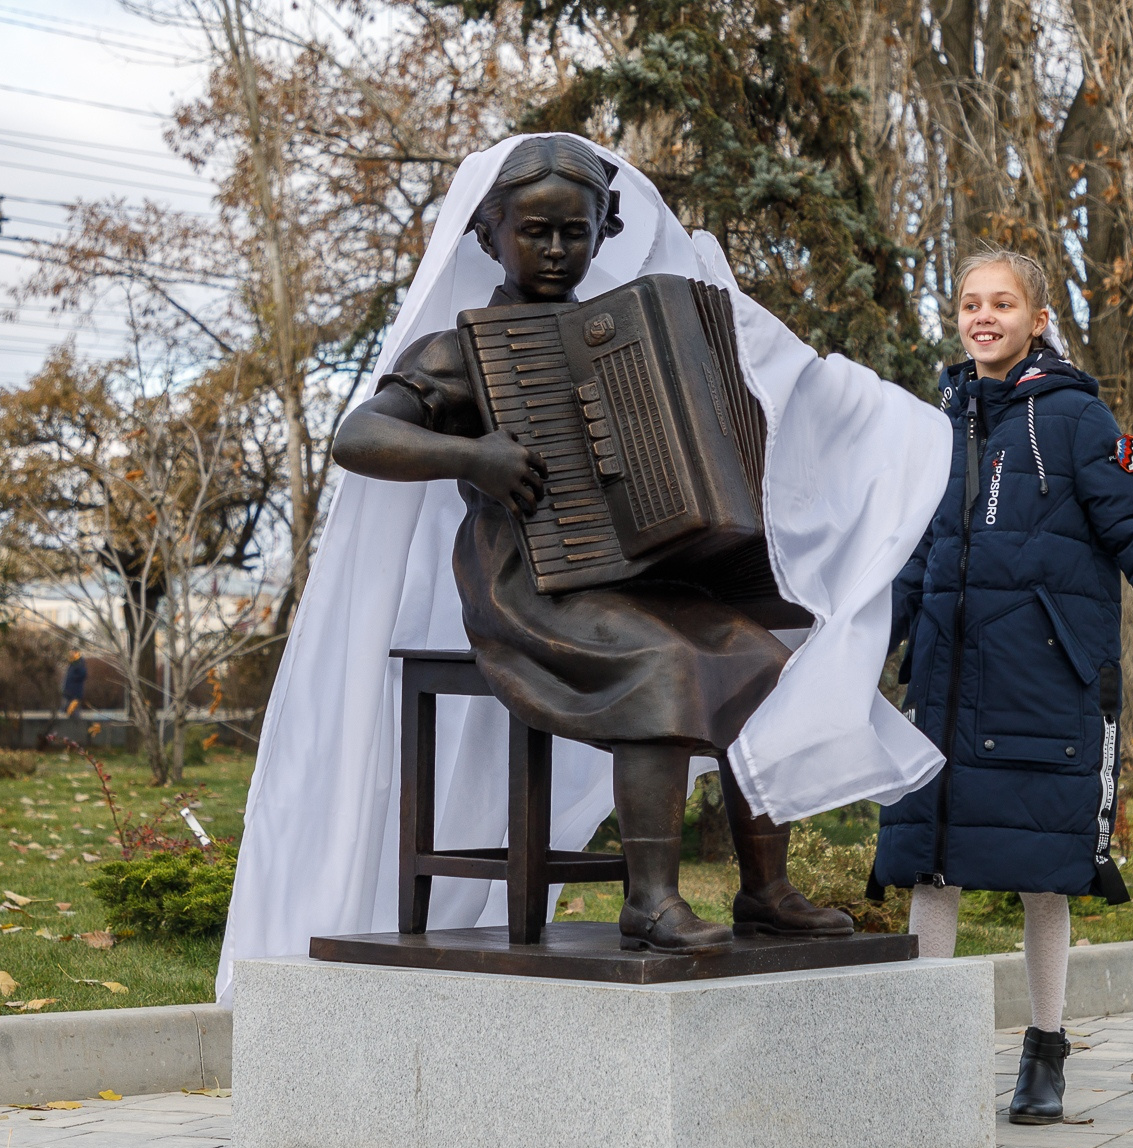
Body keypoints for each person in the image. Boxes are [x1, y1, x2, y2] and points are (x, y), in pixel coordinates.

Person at [328, 135, 854, 954]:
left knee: (768, 663)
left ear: (605, 232)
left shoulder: (640, 335)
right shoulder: (466, 350)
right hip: (530, 584)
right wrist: (472, 456)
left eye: (575, 231)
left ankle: (767, 891)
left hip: (641, 578)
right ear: (487, 235)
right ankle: (649, 902)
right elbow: (357, 437)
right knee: (667, 663)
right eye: (533, 231)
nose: (554, 248)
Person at [873, 247, 1133, 1124]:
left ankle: (1045, 1050)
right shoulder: (941, 423)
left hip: (1042, 683)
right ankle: (930, 1054)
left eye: (1002, 303)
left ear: (1038, 319)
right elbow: (916, 558)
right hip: (943, 683)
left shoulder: (1077, 422)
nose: (983, 316)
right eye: (970, 302)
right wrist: (854, 654)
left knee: (1044, 873)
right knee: (932, 863)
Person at [61, 650, 87, 718]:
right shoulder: (72, 664)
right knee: (66, 711)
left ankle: (76, 725)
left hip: (75, 693)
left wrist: (73, 678)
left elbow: (83, 674)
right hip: (68, 692)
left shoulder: (78, 663)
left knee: (74, 713)